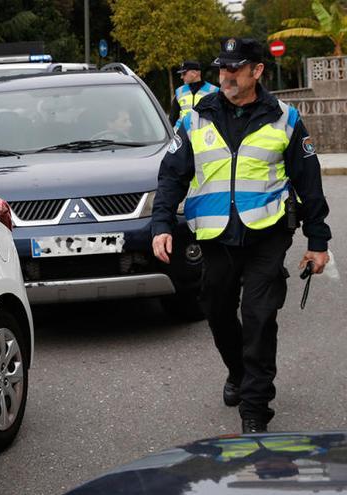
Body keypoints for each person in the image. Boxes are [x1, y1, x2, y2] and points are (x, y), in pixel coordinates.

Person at [152, 37, 332, 434]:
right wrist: (161, 223)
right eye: (223, 68)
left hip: (267, 234)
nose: (227, 75)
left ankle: (255, 407)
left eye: (235, 68)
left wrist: (318, 242)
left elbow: (309, 181)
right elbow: (171, 176)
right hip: (215, 235)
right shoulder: (195, 117)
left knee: (259, 316)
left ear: (257, 71)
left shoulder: (284, 117)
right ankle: (238, 371)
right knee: (216, 311)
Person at [169, 61, 219, 127]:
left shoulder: (214, 91)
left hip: (204, 135)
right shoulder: (179, 91)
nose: (181, 77)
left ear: (195, 73)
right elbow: (172, 119)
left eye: (184, 73)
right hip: (182, 135)